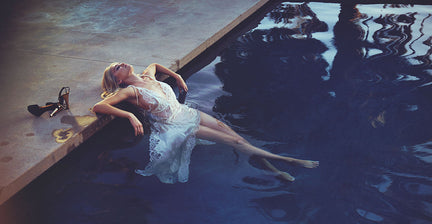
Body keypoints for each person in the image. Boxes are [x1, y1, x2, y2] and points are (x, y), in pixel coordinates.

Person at [93, 62, 319, 183]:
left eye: (118, 63)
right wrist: (130, 115)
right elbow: (100, 107)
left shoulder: (147, 77)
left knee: (237, 138)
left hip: (186, 113)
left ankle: (273, 170)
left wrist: (179, 77)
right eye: (115, 69)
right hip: (175, 126)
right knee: (232, 140)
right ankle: (287, 160)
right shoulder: (131, 91)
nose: (120, 64)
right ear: (118, 80)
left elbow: (155, 64)